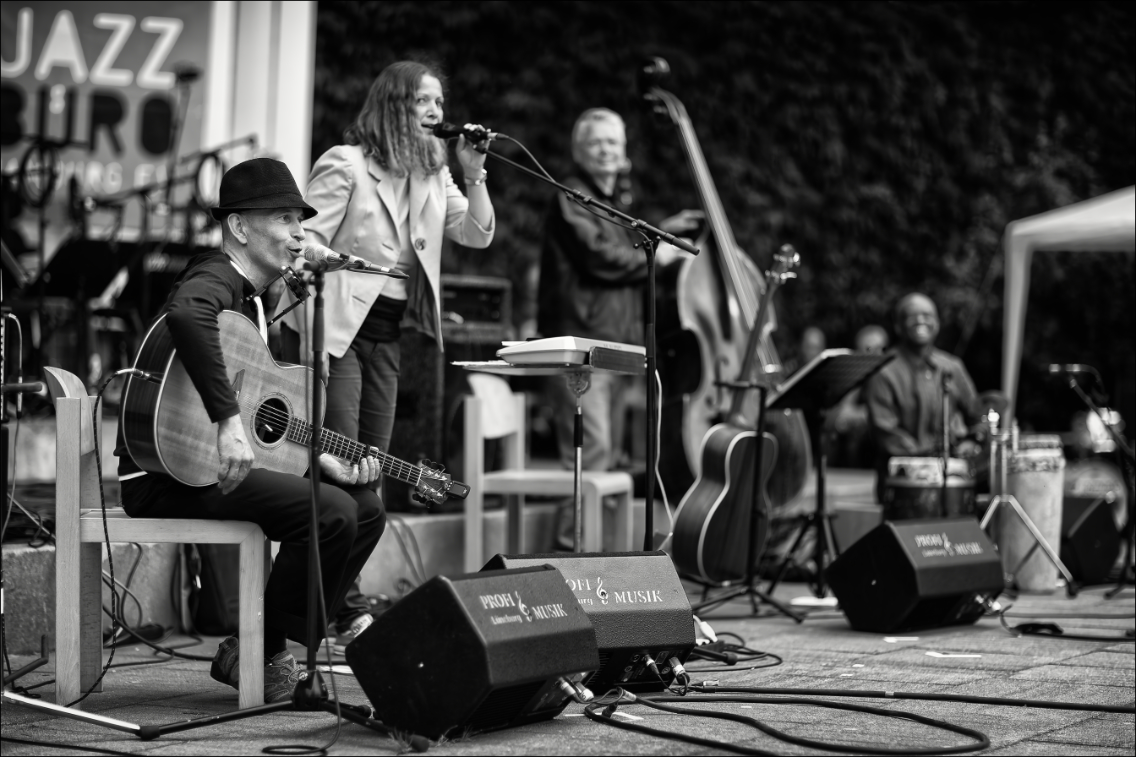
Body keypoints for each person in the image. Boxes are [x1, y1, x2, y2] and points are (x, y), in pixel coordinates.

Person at [114, 158, 386, 703]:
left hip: (212, 467)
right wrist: (226, 421)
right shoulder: (216, 274)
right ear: (239, 227)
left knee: (365, 506)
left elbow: (267, 412)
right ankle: (265, 652)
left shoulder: (259, 302)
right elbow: (187, 316)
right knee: (329, 513)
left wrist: (315, 459)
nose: (299, 234)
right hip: (170, 473)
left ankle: (256, 646)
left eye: (300, 222)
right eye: (285, 219)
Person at [277, 60, 494, 646]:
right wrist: (310, 339)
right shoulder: (346, 164)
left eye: (440, 104)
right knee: (342, 461)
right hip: (339, 329)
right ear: (394, 105)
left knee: (373, 464)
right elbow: (303, 244)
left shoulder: (434, 171)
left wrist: (473, 175)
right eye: (423, 101)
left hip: (390, 333)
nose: (436, 114)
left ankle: (340, 602)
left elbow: (475, 234)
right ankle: (341, 610)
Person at [537, 107, 701, 550]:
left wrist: (658, 233)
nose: (607, 150)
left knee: (606, 458)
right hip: (578, 345)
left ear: (625, 154)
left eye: (614, 142)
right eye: (597, 142)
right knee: (590, 454)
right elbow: (600, 258)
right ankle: (569, 555)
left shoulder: (609, 203)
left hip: (608, 344)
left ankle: (595, 555)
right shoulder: (570, 195)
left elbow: (615, 244)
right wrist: (659, 254)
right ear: (579, 151)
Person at [864, 293, 983, 500]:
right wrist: (930, 461)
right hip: (903, 486)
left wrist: (972, 441)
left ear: (937, 323)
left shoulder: (952, 367)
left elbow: (978, 415)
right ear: (899, 326)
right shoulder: (883, 371)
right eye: (913, 315)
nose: (921, 320)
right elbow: (886, 432)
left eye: (928, 315)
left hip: (952, 481)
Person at [828, 324, 889, 467]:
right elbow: (842, 417)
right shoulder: (855, 375)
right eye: (869, 349)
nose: (876, 353)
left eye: (881, 348)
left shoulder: (892, 374)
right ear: (858, 351)